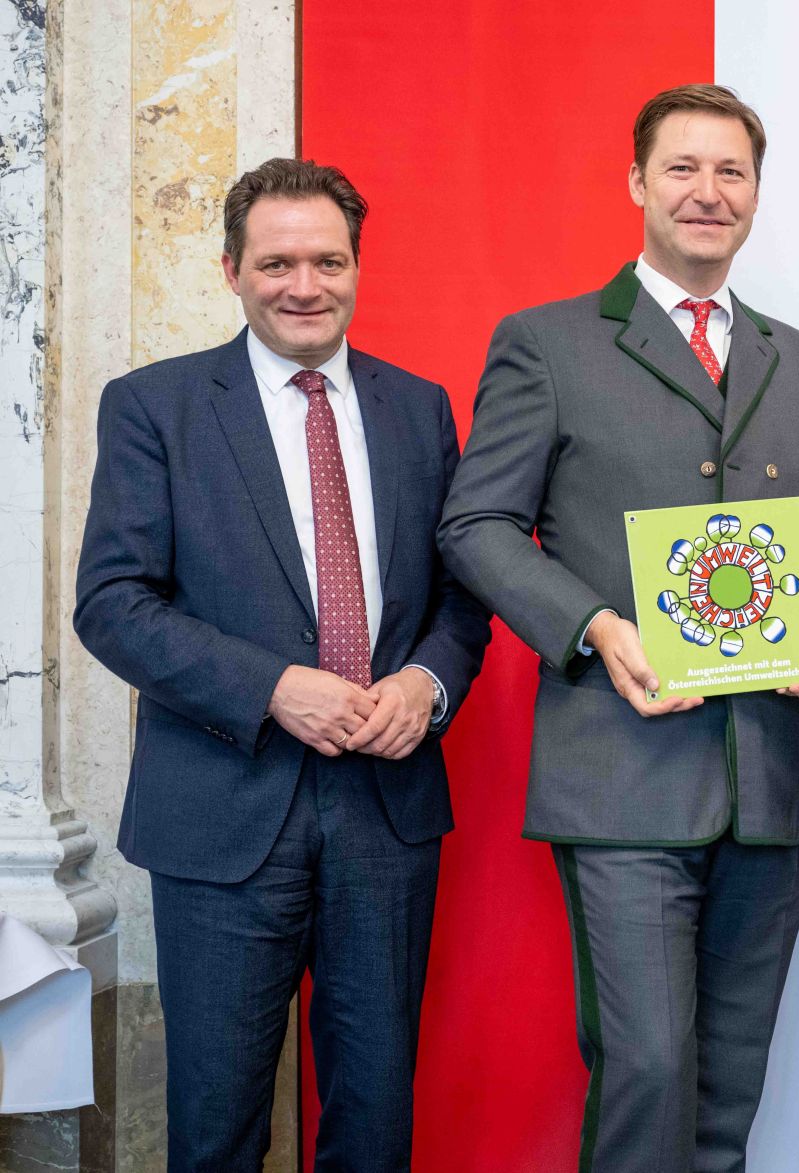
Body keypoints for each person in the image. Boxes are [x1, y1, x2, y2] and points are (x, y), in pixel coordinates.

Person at [437, 84, 799, 1173]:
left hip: (769, 780)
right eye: (682, 168)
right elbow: (475, 523)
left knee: (730, 1081)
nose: (706, 192)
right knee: (648, 1069)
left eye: (730, 172)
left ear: (756, 196)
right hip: (622, 773)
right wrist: (587, 624)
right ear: (636, 183)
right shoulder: (547, 344)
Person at [73, 158, 490, 1169]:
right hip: (223, 812)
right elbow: (112, 604)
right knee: (215, 1125)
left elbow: (462, 594)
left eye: (327, 260)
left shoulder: (418, 408)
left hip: (385, 814)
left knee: (375, 1122)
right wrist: (271, 688)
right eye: (276, 263)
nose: (304, 284)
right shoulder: (153, 406)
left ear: (356, 266)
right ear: (230, 269)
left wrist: (426, 686)